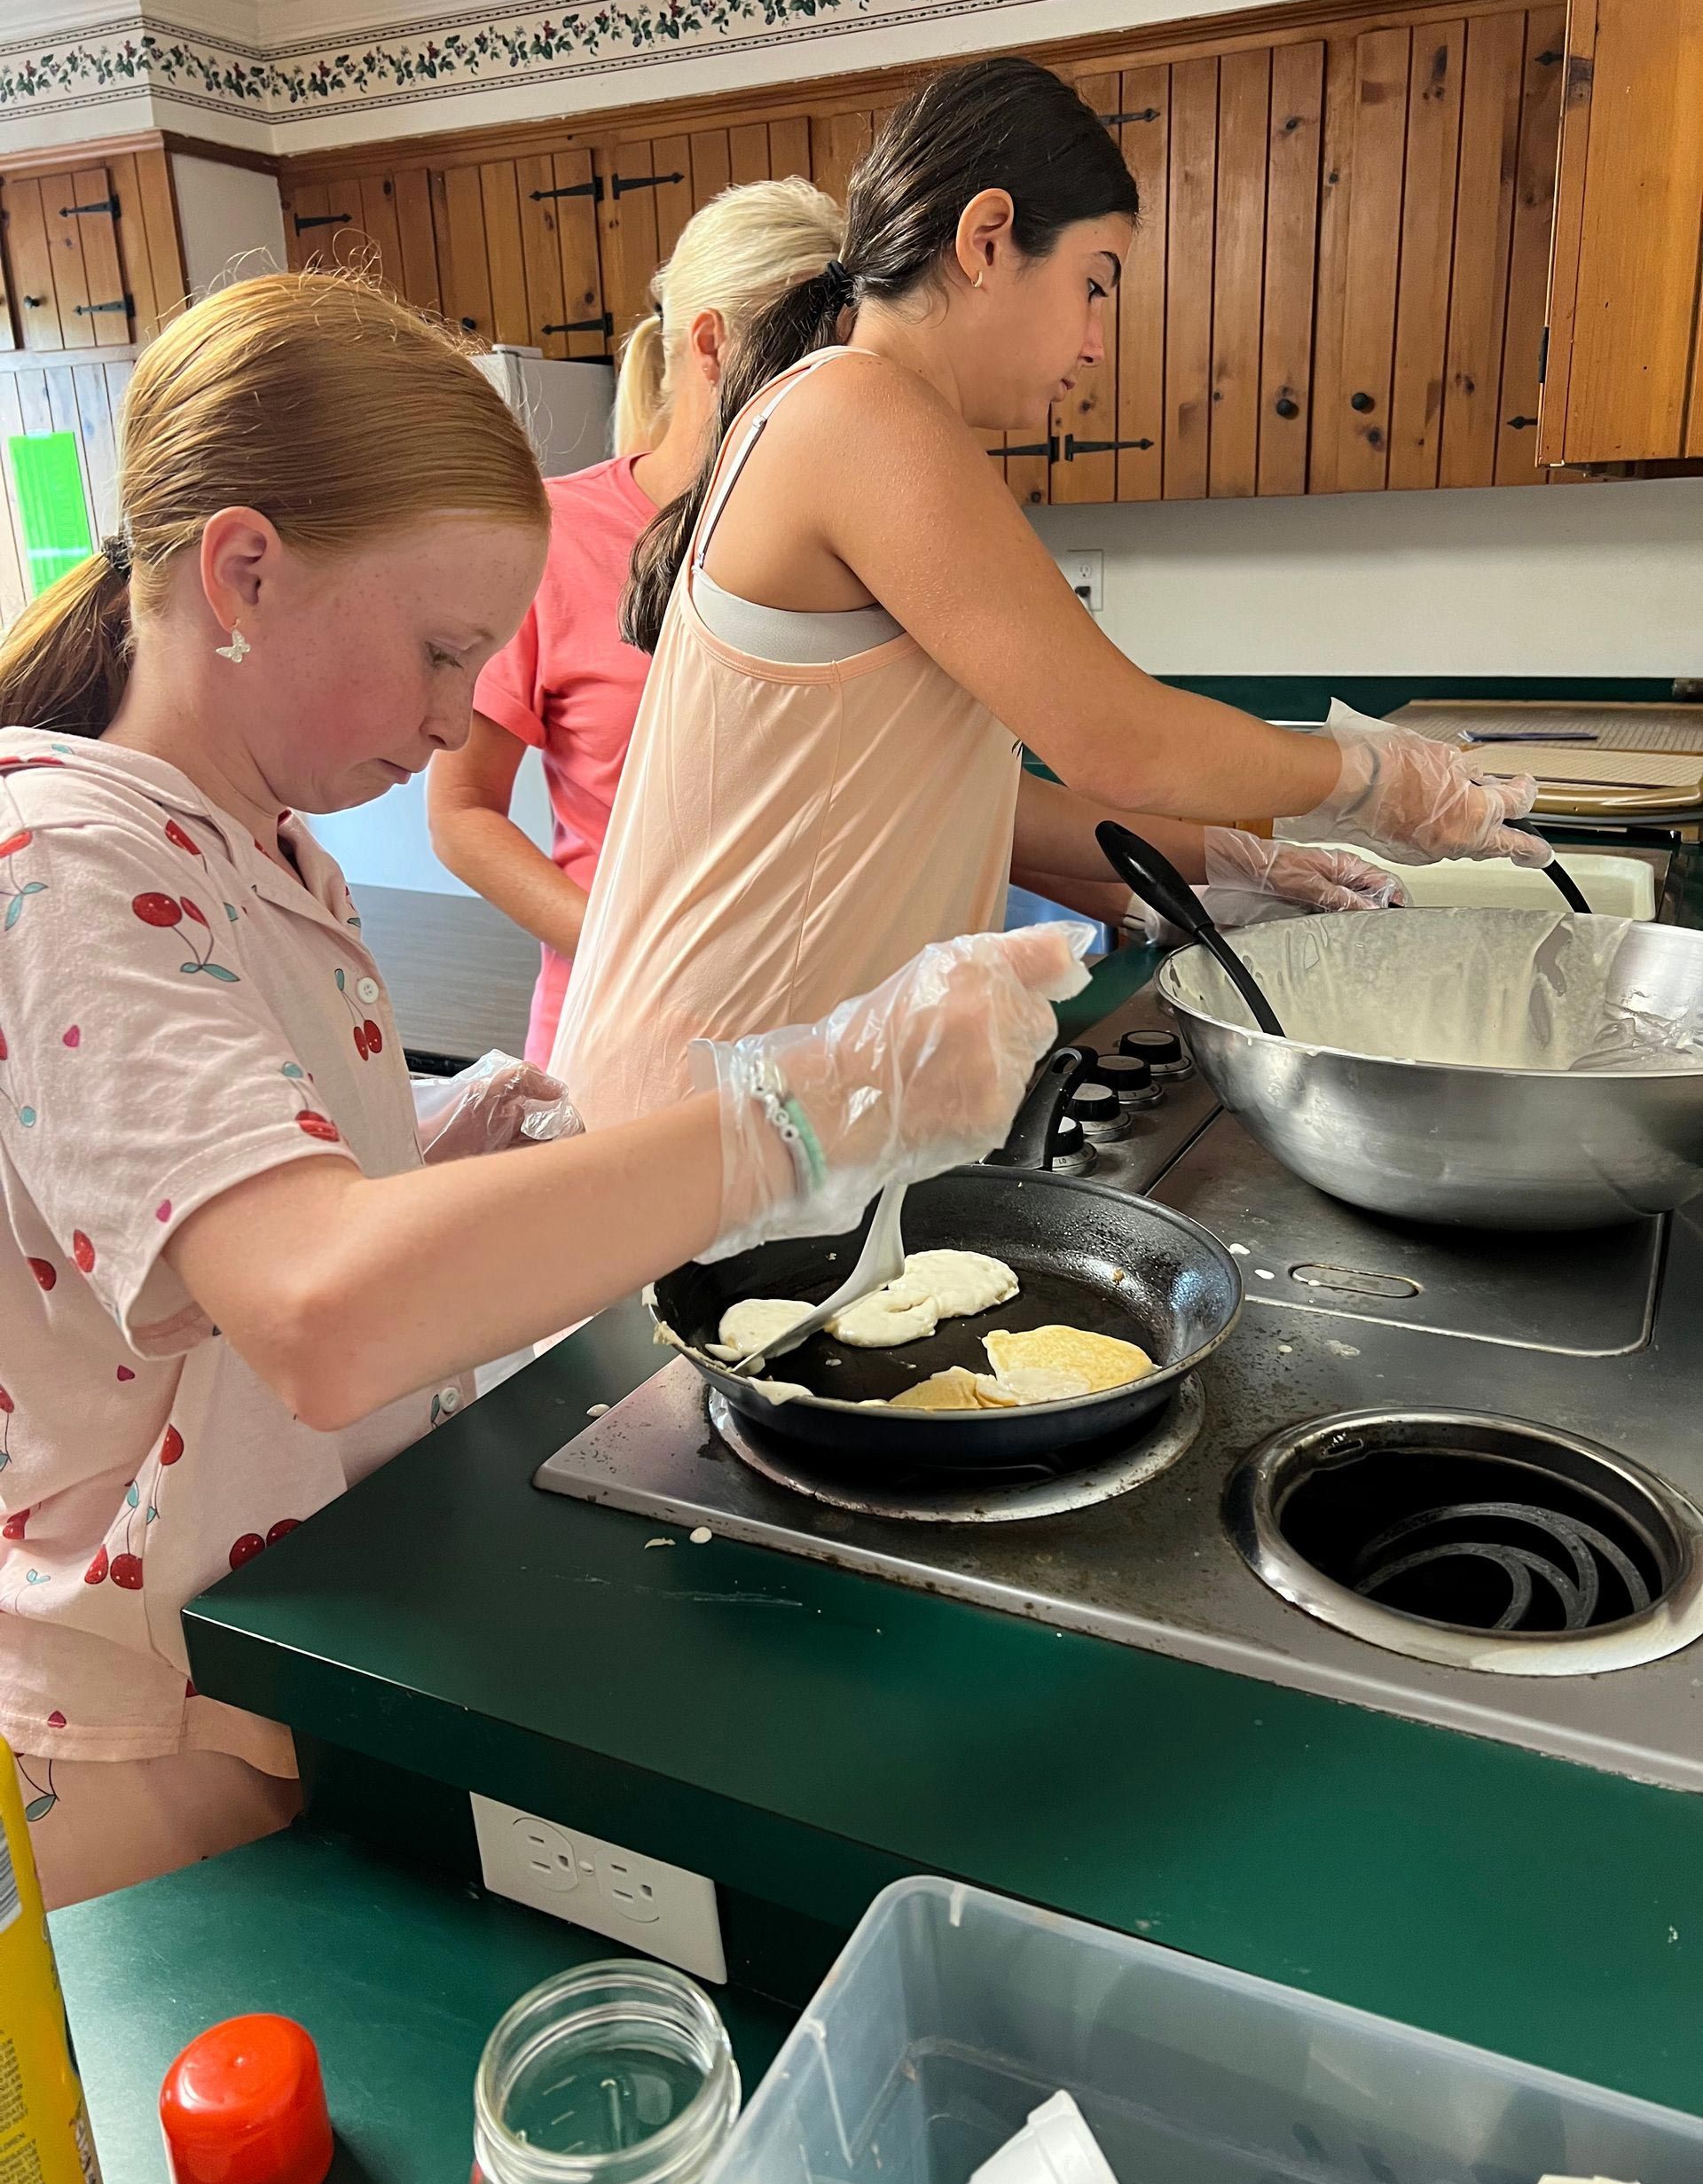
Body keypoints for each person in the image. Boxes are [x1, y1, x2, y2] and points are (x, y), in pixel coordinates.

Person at [0, 270, 1087, 1909]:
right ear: (241, 570)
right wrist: (810, 1107)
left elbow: (195, 1221)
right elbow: (312, 1309)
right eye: (439, 652)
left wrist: (453, 1131)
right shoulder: (70, 868)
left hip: (288, 1623)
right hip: (141, 1707)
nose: (459, 715)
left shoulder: (259, 844)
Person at [551, 57, 1544, 1129]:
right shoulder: (859, 414)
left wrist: (1226, 863)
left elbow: (983, 802)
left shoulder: (855, 417)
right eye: (1095, 280)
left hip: (764, 1103)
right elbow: (1123, 738)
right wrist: (1374, 781)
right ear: (986, 240)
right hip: (709, 1110)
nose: (1095, 341)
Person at [428, 178, 844, 1065]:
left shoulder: (854, 544)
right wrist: (633, 957)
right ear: (712, 347)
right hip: (616, 1044)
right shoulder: (554, 537)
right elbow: (462, 812)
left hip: (804, 1051)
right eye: (809, 363)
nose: (840, 403)